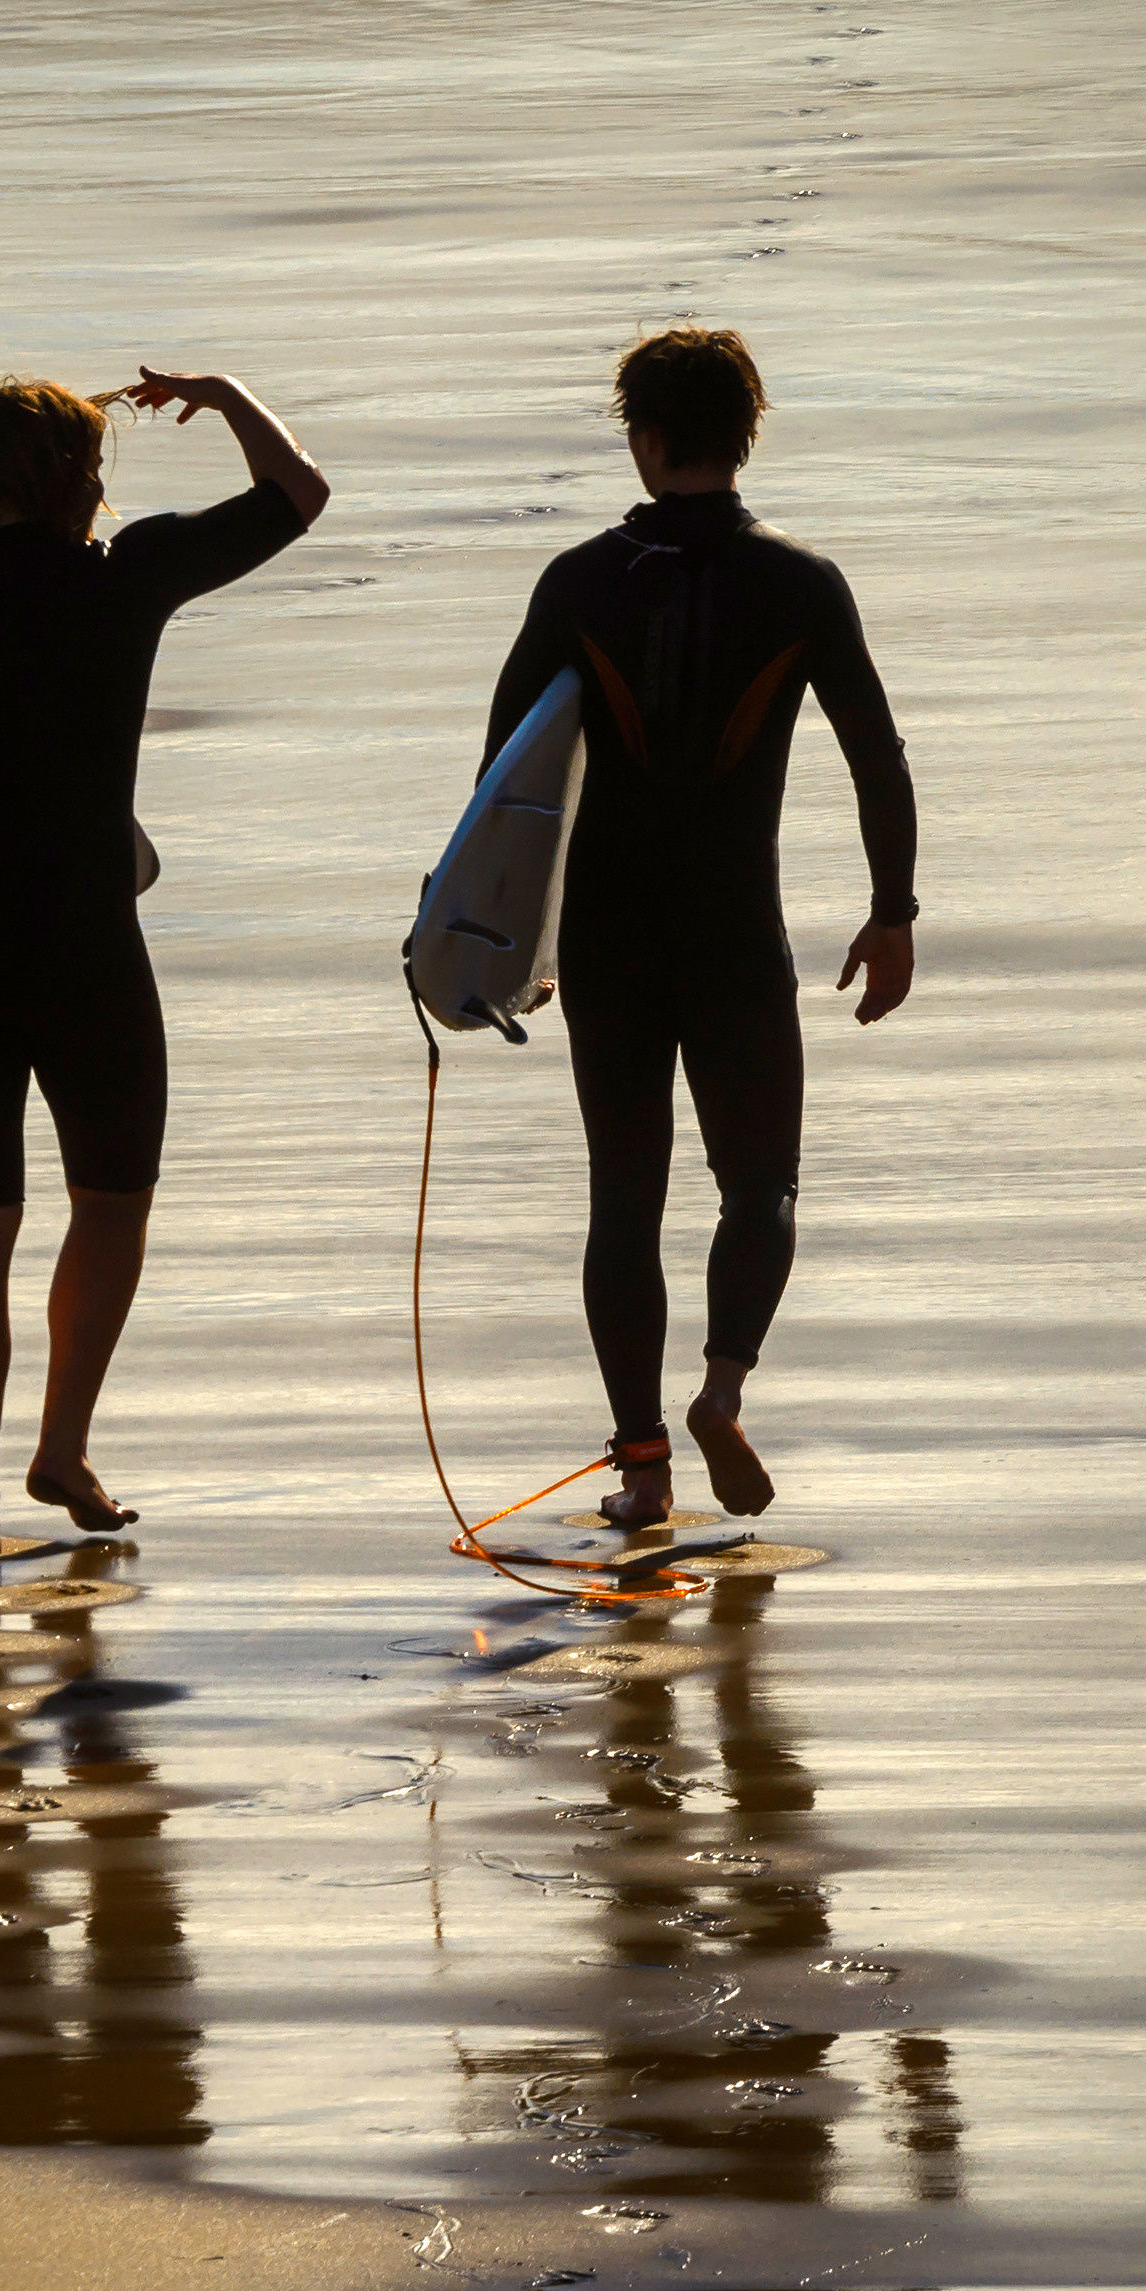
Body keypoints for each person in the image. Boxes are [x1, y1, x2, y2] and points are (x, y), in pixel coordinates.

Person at [0, 366, 327, 1557]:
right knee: (111, 1205)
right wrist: (221, 395)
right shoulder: (124, 579)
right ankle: (61, 1443)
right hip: (86, 954)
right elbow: (297, 492)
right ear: (73, 481)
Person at [479, 323, 916, 1530]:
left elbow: (505, 779)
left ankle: (642, 1468)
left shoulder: (578, 581)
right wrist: (891, 913)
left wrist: (519, 945)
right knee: (759, 1183)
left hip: (611, 943)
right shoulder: (801, 583)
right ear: (744, 434)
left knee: (623, 1199)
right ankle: (721, 1389)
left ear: (648, 436)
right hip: (735, 934)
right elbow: (875, 758)